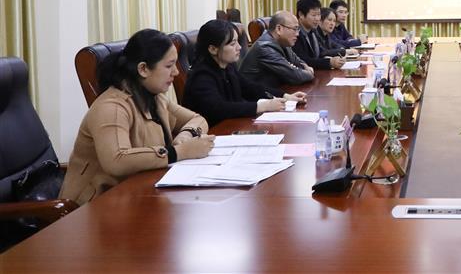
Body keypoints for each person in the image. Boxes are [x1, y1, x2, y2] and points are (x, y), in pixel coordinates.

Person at [60, 29, 214, 205]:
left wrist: (186, 136)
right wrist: (179, 152)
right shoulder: (112, 106)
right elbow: (116, 160)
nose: (176, 72)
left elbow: (198, 119)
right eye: (169, 66)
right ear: (143, 69)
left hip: (137, 193)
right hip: (95, 206)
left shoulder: (155, 97)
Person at [184, 19, 307, 128]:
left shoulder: (227, 66)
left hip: (232, 126)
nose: (239, 47)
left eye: (238, 42)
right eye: (232, 44)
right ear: (213, 49)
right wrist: (263, 106)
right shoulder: (201, 76)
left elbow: (250, 87)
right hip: (213, 133)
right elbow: (219, 109)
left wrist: (285, 96)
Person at [239, 11, 315, 88]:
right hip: (254, 94)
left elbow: (299, 62)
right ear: (279, 29)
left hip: (275, 90)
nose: (297, 34)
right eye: (294, 29)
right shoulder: (265, 47)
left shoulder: (283, 43)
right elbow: (295, 76)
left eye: (298, 29)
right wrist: (309, 73)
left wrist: (303, 68)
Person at [293, 0, 345, 69]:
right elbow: (303, 61)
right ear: (301, 14)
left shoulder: (313, 32)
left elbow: (322, 53)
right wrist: (329, 62)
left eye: (319, 15)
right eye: (314, 15)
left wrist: (333, 59)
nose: (317, 19)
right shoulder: (295, 33)